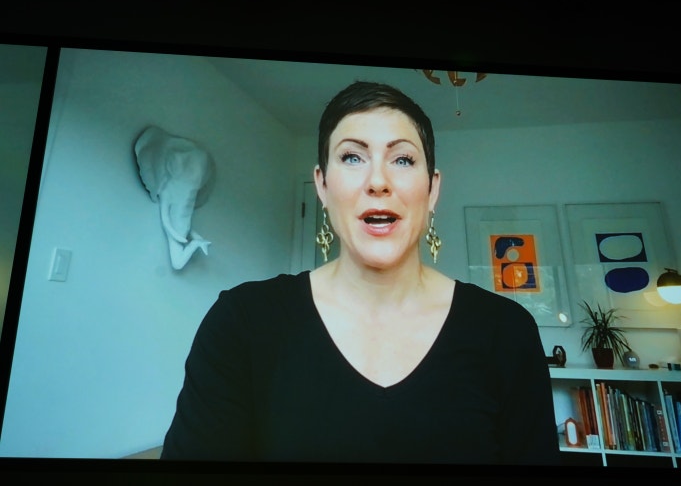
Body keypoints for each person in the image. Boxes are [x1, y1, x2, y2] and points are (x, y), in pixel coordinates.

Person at [160, 81, 560, 465]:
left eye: (402, 159)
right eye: (352, 157)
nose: (379, 181)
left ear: (432, 189)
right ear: (322, 185)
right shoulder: (241, 321)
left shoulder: (507, 331)